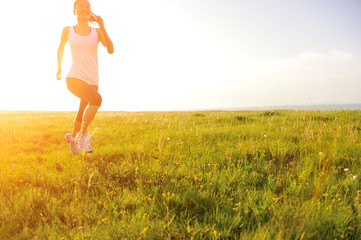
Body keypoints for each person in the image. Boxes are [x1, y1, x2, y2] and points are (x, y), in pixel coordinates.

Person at [56, 0, 113, 154]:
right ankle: (83, 136)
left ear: (90, 12)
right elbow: (61, 48)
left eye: (87, 6)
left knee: (82, 111)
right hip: (74, 77)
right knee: (97, 100)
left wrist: (102, 25)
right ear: (74, 11)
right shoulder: (67, 30)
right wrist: (59, 67)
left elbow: (110, 49)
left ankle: (72, 137)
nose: (84, 8)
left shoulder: (97, 32)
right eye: (80, 6)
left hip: (93, 79)